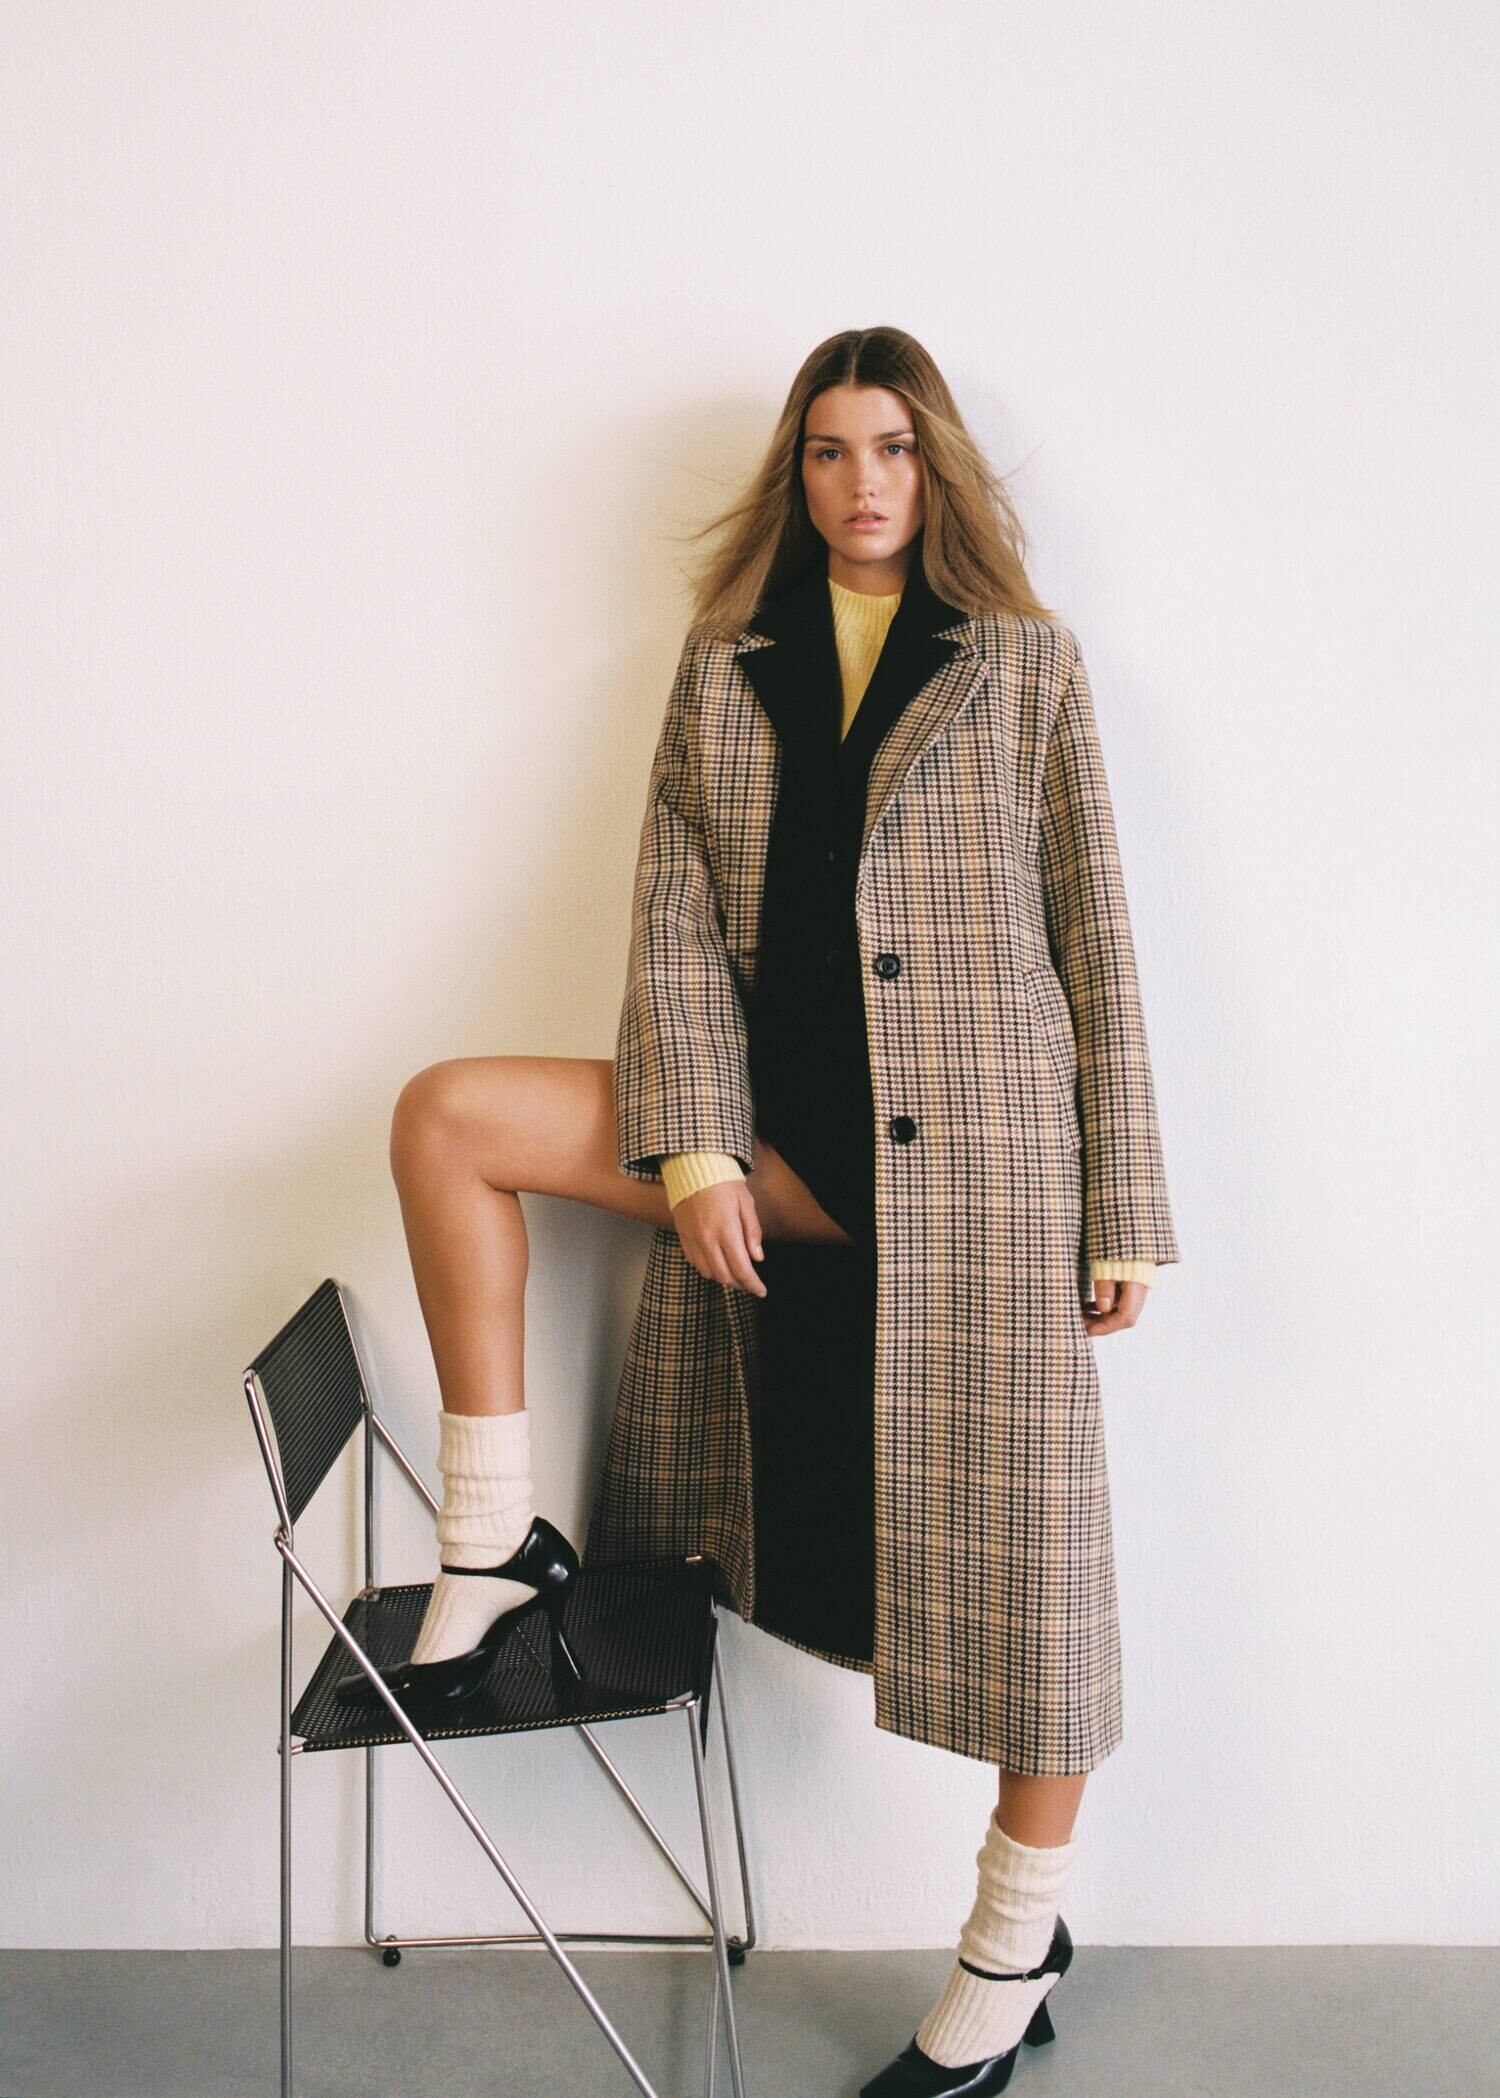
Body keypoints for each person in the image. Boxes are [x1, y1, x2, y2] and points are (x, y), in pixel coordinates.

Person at [339, 325, 1179, 2097]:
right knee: (448, 1116)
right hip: (782, 1142)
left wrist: (1124, 1203)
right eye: (831, 450)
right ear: (795, 475)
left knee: (1036, 1577)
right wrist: (698, 1151)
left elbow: (1095, 933)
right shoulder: (726, 659)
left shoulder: (1027, 663)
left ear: (936, 468)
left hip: (981, 1181)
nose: (866, 482)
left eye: (895, 448)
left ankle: (1010, 1941)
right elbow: (669, 909)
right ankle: (492, 1538)